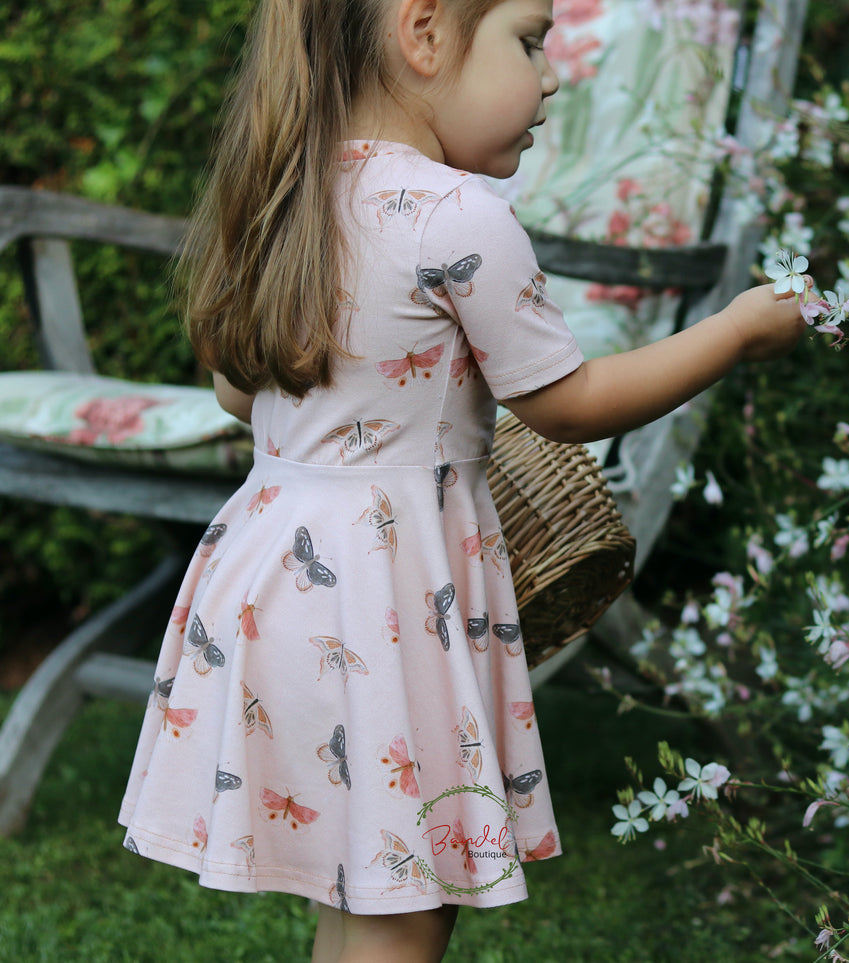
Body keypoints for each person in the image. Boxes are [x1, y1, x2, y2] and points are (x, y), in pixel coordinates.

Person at [116, 0, 806, 959]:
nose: (552, 76)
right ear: (425, 32)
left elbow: (239, 395)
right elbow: (567, 404)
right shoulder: (459, 215)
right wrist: (734, 332)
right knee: (408, 899)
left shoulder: (283, 193)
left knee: (374, 877)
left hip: (267, 573)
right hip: (384, 598)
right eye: (529, 41)